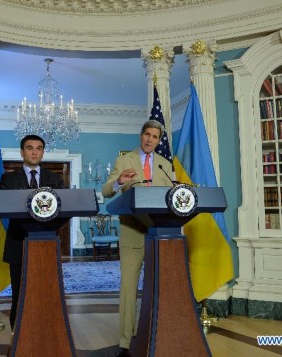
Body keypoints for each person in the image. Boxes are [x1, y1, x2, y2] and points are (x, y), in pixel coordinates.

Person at [102, 119, 176, 357]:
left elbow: (170, 195)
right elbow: (106, 190)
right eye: (147, 134)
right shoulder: (124, 160)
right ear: (141, 135)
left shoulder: (165, 164)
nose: (149, 140)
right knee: (128, 287)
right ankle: (125, 342)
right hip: (132, 231)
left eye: (154, 137)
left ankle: (159, 333)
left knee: (160, 287)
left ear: (159, 140)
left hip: (159, 233)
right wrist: (119, 181)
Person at [0, 134, 64, 330]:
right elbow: (0, 204)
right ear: (22, 152)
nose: (34, 152)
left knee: (46, 290)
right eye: (30, 148)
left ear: (43, 152)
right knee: (20, 290)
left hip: (47, 243)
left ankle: (47, 328)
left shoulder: (54, 179)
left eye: (39, 148)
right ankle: (17, 331)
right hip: (18, 244)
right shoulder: (9, 179)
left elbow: (64, 208)